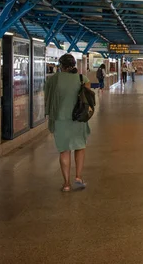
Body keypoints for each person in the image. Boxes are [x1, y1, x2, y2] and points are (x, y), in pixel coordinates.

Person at [44, 54, 91, 192]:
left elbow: (47, 97)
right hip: (78, 118)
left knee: (64, 150)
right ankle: (78, 177)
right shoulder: (83, 79)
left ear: (61, 65)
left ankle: (66, 184)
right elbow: (88, 99)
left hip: (60, 119)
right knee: (80, 147)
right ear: (74, 64)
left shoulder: (54, 79)